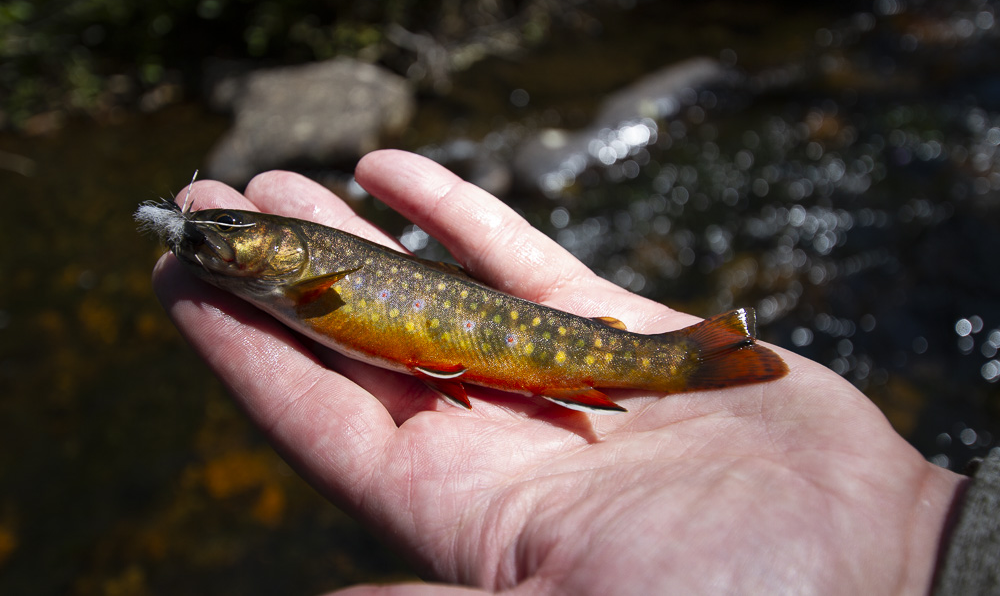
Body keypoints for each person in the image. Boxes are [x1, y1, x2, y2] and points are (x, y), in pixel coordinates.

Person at [152, 149, 988, 594]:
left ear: (290, 252)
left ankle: (695, 361)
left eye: (228, 229)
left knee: (583, 350)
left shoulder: (310, 275)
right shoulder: (294, 276)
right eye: (220, 228)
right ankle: (696, 358)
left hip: (506, 342)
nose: (216, 237)